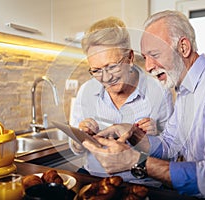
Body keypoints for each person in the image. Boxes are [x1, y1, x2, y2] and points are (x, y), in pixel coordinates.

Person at [82, 10, 205, 199]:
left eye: (154, 54)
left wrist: (135, 162)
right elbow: (169, 145)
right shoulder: (186, 91)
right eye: (145, 57)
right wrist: (133, 134)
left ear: (184, 47)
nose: (148, 67)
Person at [69, 16, 173, 187]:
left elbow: (172, 154)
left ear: (130, 58)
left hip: (141, 184)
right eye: (96, 70)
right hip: (94, 179)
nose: (106, 77)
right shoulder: (86, 91)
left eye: (112, 66)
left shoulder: (159, 92)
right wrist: (79, 139)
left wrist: (154, 137)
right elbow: (75, 147)